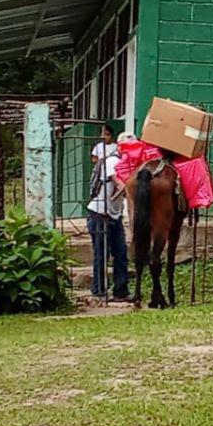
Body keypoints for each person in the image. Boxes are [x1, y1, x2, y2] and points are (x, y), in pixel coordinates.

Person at [86, 128, 129, 300]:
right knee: (101, 254)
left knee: (121, 253)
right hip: (99, 213)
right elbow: (119, 184)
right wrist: (127, 186)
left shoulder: (128, 165)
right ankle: (99, 290)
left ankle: (121, 291)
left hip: (115, 214)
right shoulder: (112, 161)